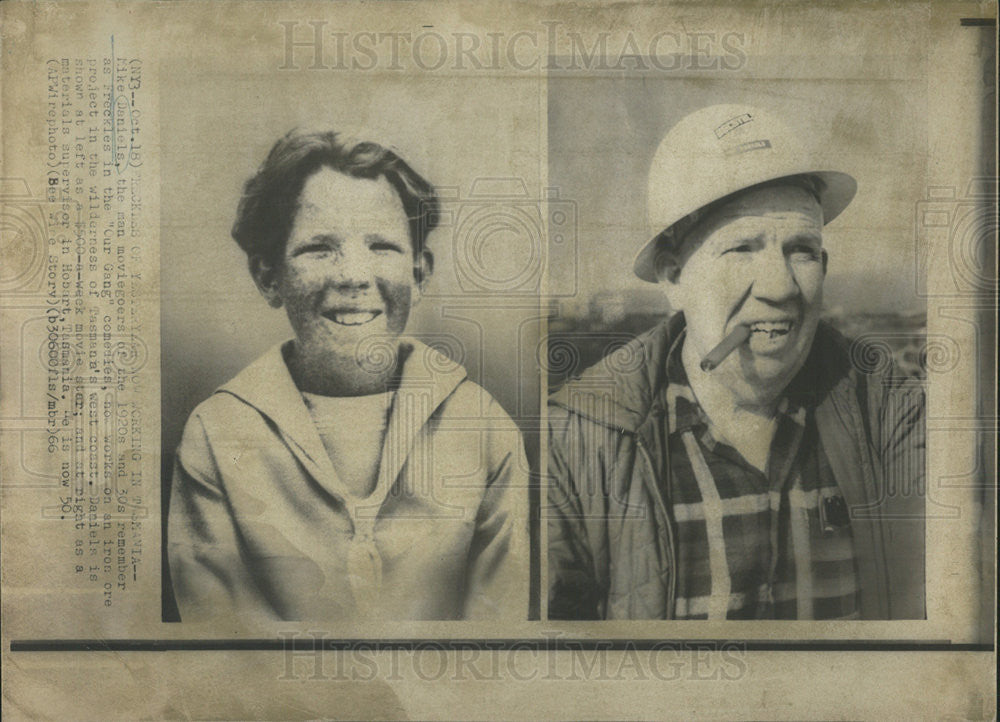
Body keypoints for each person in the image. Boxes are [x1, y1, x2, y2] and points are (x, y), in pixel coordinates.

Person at [547, 104, 925, 620]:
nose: (780, 287)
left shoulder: (889, 412)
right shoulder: (577, 443)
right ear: (673, 277)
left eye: (802, 251)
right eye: (742, 248)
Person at [168, 129, 528, 623]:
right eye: (319, 248)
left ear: (420, 273)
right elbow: (226, 647)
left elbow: (497, 634)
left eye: (381, 245)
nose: (354, 275)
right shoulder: (215, 434)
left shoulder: (484, 427)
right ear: (268, 276)